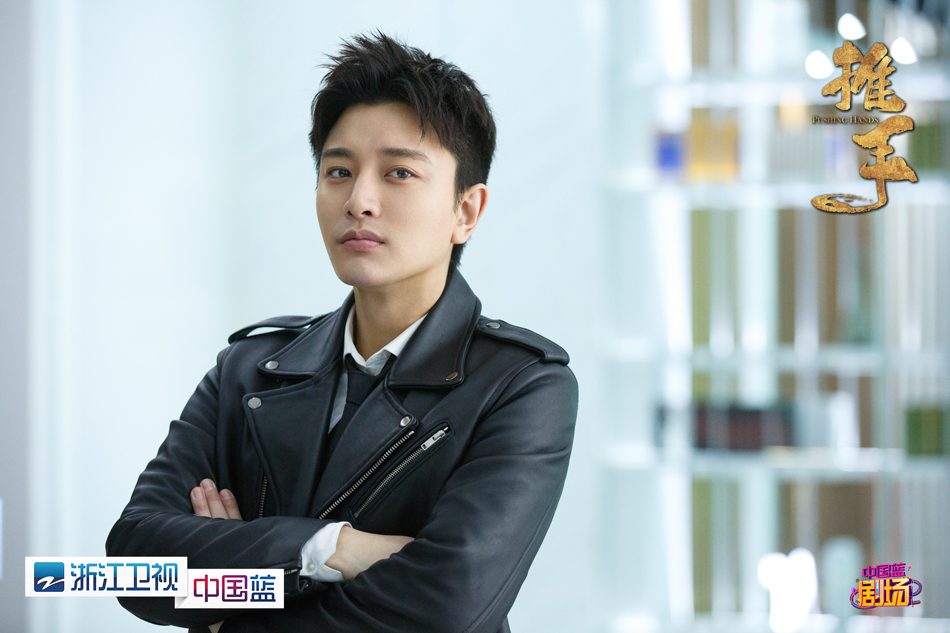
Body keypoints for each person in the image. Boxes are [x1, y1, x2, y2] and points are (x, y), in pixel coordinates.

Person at [106, 31, 578, 633]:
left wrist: (230, 603)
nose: (359, 200)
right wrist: (331, 549)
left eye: (399, 172)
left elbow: (448, 607)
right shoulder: (249, 370)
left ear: (466, 211)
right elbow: (131, 565)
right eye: (338, 171)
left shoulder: (521, 386)